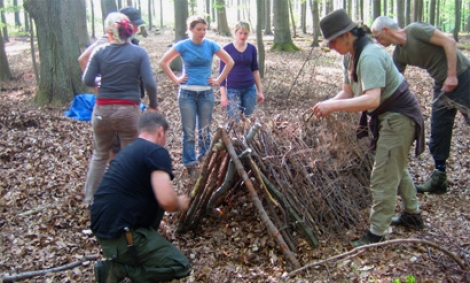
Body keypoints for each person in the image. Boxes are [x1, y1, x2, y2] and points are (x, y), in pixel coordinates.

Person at [314, 9, 425, 247]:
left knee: (383, 174)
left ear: (346, 35)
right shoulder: (350, 55)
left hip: (399, 116)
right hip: (386, 115)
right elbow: (348, 91)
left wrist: (333, 108)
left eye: (333, 41)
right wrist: (327, 104)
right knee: (395, 163)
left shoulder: (370, 55)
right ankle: (412, 214)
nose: (331, 46)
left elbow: (372, 99)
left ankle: (376, 233)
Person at [371, 17, 470, 194]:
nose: (377, 41)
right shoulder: (399, 55)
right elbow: (393, 80)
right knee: (439, 128)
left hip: (463, 77)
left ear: (386, 30)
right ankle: (439, 178)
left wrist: (452, 75)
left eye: (377, 37)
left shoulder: (415, 30)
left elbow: (449, 42)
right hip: (442, 84)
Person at [91, 112, 190, 283]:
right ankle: (117, 269)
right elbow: (167, 201)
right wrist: (180, 203)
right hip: (122, 237)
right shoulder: (156, 152)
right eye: (165, 135)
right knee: (180, 265)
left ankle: (126, 259)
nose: (165, 141)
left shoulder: (128, 152)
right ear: (160, 132)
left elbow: (136, 195)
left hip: (104, 233)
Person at [82, 12, 158, 204]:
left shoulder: (100, 52)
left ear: (109, 32)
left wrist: (101, 79)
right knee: (129, 156)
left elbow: (87, 79)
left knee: (100, 154)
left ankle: (90, 199)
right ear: (129, 32)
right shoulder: (139, 53)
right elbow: (150, 83)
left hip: (102, 111)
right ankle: (128, 197)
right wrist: (154, 104)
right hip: (129, 111)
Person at [158, 15, 234, 176]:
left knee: (205, 131)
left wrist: (219, 79)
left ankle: (205, 159)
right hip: (187, 94)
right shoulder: (183, 45)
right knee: (189, 131)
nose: (202, 32)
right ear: (190, 29)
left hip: (206, 93)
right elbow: (163, 62)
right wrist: (176, 79)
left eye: (204, 29)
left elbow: (230, 61)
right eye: (199, 29)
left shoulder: (211, 45)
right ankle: (190, 163)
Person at [78, 7, 151, 162]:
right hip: (115, 102)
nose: (137, 28)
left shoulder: (129, 42)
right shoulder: (107, 41)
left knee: (123, 146)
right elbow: (83, 59)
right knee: (115, 148)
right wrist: (98, 85)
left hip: (127, 100)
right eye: (134, 24)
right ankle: (116, 178)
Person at [219, 21, 264, 122]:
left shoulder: (252, 49)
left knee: (248, 120)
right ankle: (235, 138)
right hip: (232, 90)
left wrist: (260, 91)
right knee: (235, 121)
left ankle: (247, 138)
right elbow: (221, 74)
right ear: (235, 33)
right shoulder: (226, 49)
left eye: (245, 33)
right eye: (240, 33)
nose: (243, 36)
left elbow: (255, 70)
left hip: (249, 89)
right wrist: (223, 95)